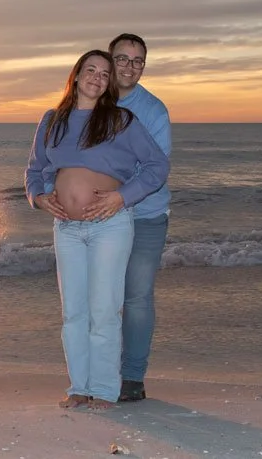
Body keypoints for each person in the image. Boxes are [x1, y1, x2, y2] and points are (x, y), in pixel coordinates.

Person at [25, 50, 169, 410]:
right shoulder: (52, 120)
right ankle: (79, 387)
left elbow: (157, 165)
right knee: (73, 311)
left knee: (104, 310)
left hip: (109, 226)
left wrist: (123, 197)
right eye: (90, 70)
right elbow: (34, 170)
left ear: (108, 84)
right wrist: (39, 198)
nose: (97, 77)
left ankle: (104, 390)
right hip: (66, 228)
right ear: (76, 75)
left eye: (105, 74)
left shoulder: (121, 120)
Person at [97, 33, 172, 403]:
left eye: (137, 60)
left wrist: (119, 196)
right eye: (122, 59)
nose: (129, 67)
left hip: (144, 216)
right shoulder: (92, 101)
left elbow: (155, 170)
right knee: (99, 299)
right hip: (98, 218)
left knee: (137, 298)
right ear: (110, 60)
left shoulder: (154, 111)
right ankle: (97, 374)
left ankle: (132, 378)